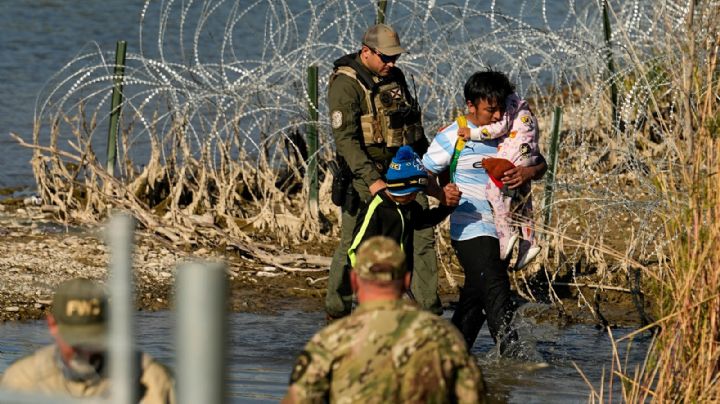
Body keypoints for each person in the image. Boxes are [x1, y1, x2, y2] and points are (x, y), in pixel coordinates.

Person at [326, 23, 460, 319]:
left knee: (423, 234)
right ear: (366, 52)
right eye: (385, 58)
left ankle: (428, 311)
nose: (391, 63)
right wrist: (373, 182)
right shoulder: (345, 84)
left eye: (395, 58)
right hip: (364, 177)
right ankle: (337, 310)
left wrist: (431, 170)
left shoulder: (395, 77)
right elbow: (346, 141)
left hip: (405, 171)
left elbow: (411, 129)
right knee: (353, 242)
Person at [422, 71, 547, 354]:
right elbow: (422, 173)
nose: (497, 115)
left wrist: (527, 172)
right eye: (491, 109)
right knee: (496, 289)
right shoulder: (453, 135)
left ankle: (449, 356)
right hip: (470, 226)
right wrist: (440, 194)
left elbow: (541, 164)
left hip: (505, 230)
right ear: (471, 105)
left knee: (475, 299)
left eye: (502, 108)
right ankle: (513, 360)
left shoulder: (509, 130)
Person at [284, 236, 486, 403]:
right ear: (407, 280)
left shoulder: (330, 341)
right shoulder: (445, 337)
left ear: (354, 280)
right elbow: (473, 397)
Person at [0, 278, 176, 403]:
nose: (86, 351)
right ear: (52, 325)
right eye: (75, 340)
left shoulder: (153, 380)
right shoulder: (22, 381)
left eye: (93, 339)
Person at [456, 88, 543, 270]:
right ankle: (529, 242)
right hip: (528, 153)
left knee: (493, 190)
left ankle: (507, 232)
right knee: (523, 201)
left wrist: (471, 134)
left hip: (515, 152)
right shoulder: (521, 106)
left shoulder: (506, 104)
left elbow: (499, 128)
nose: (497, 114)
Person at [346, 145, 459, 283]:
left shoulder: (408, 206)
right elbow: (355, 250)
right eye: (412, 193)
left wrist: (447, 207)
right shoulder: (376, 209)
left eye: (416, 193)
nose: (414, 197)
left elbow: (423, 221)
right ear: (400, 189)